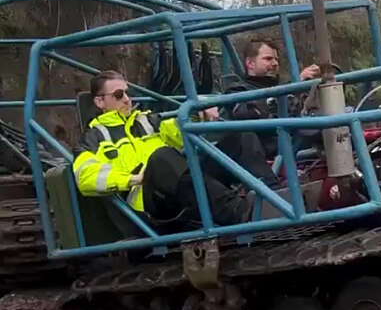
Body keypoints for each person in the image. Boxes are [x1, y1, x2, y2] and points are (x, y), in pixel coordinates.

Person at [73, 70, 277, 226]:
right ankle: (241, 212)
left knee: (241, 137)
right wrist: (131, 179)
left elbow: (176, 131)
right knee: (160, 157)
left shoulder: (146, 120)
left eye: (128, 93)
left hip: (183, 184)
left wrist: (197, 114)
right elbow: (86, 176)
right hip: (150, 202)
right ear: (99, 101)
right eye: (118, 95)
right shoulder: (93, 137)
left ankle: (274, 195)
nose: (127, 99)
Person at [222, 40, 321, 156]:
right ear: (250, 63)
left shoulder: (283, 87)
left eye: (276, 60)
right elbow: (247, 114)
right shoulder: (237, 90)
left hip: (297, 145)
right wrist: (292, 90)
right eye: (268, 59)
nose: (275, 63)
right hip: (268, 154)